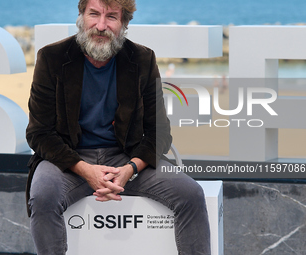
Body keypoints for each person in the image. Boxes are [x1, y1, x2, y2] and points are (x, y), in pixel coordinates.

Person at [25, 0, 210, 254]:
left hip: (125, 157)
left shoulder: (143, 59)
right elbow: (39, 133)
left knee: (192, 195)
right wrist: (85, 170)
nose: (101, 26)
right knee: (43, 198)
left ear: (123, 24)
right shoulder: (52, 58)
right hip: (68, 159)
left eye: (111, 17)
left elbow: (160, 132)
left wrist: (130, 168)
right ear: (81, 16)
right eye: (94, 14)